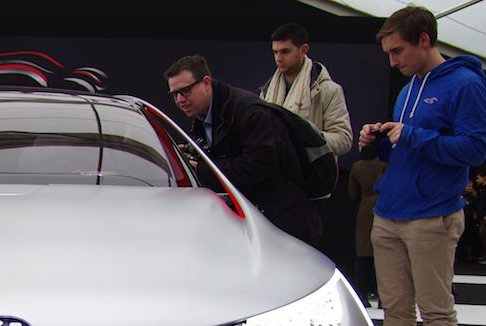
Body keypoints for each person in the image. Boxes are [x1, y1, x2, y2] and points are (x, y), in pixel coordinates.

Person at [358, 6, 486, 326]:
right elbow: (407, 148)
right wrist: (380, 140)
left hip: (432, 214)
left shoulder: (466, 84)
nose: (393, 62)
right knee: (395, 308)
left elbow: (475, 149)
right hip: (391, 211)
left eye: (398, 51)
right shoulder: (409, 87)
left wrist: (412, 135)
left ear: (424, 40)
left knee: (436, 309)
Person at [164, 54, 319, 245]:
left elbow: (257, 165)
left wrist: (201, 169)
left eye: (185, 91)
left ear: (206, 83)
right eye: (174, 94)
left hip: (282, 223)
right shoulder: (205, 117)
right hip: (256, 218)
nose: (180, 100)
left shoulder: (249, 112)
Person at [261, 23, 353, 158]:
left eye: (285, 51)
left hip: (312, 169)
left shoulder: (329, 90)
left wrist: (308, 136)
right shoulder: (267, 91)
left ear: (303, 49)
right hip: (275, 168)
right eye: (275, 52)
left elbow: (344, 140)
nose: (278, 58)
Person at [348, 142, 387, 307]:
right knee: (384, 257)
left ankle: (362, 295)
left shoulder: (357, 167)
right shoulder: (384, 166)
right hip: (383, 209)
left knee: (363, 256)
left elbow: (352, 193)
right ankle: (383, 297)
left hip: (364, 211)